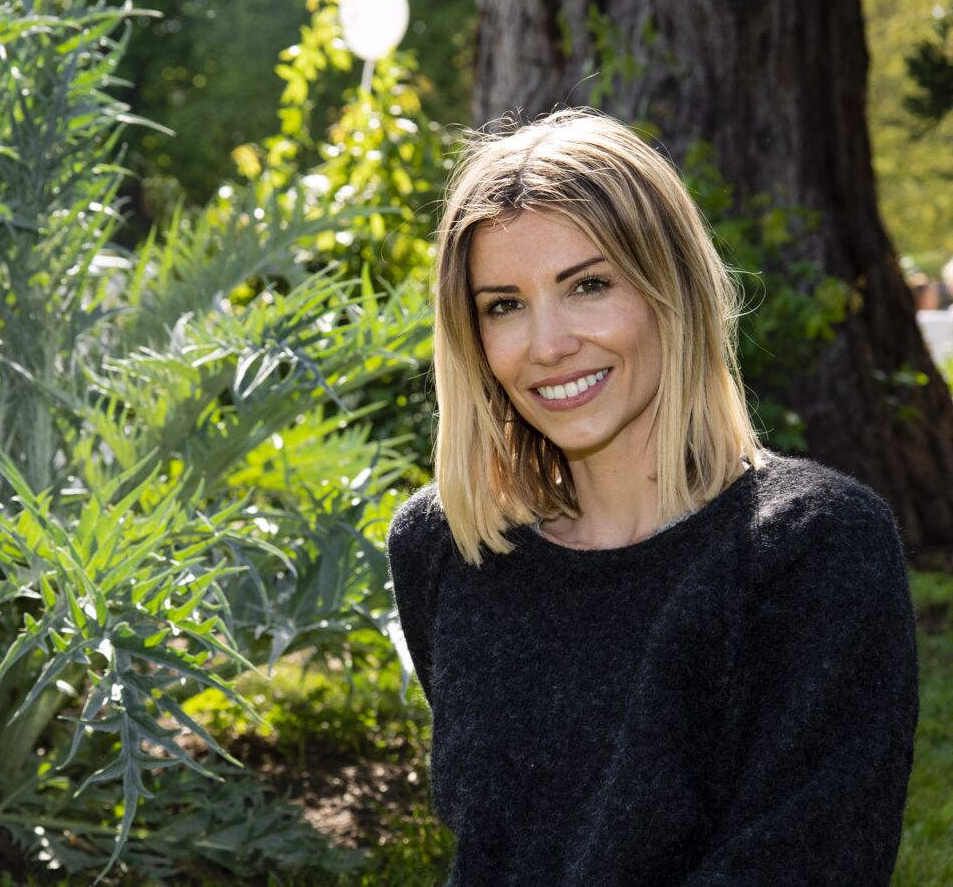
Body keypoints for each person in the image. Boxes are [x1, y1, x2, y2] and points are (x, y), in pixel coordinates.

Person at [386, 108, 919, 886]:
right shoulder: (448, 546)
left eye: (588, 285)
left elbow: (814, 856)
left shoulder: (813, 548)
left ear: (672, 287)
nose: (547, 343)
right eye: (503, 304)